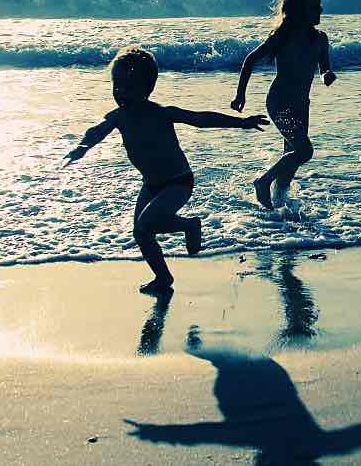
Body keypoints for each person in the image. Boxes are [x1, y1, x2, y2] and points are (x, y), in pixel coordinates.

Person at [65, 46, 268, 296]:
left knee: (148, 223)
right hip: (151, 184)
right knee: (141, 232)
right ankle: (163, 277)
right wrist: (82, 147)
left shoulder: (161, 114)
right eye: (116, 86)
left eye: (128, 87)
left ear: (147, 89)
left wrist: (241, 122)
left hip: (178, 182)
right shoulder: (118, 117)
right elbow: (96, 131)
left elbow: (200, 119)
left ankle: (190, 226)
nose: (120, 92)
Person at [231, 0, 336, 210]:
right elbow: (250, 60)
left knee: (291, 159)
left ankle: (279, 208)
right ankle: (262, 182)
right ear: (299, 9)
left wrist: (327, 74)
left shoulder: (320, 39)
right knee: (304, 150)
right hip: (279, 102)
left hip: (301, 104)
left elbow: (324, 67)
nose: (320, 11)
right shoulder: (283, 36)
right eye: (314, 7)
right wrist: (240, 95)